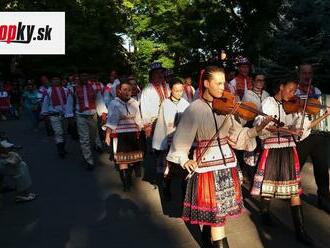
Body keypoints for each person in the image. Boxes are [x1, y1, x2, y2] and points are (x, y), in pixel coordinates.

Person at [167, 66, 271, 247]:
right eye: (219, 83)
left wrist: (256, 130)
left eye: (224, 82)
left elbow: (236, 136)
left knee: (218, 217)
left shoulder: (227, 108)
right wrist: (184, 159)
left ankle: (207, 240)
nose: (223, 87)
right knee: (217, 221)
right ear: (206, 84)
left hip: (228, 166)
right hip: (207, 169)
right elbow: (181, 140)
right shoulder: (194, 109)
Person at [251, 79, 322, 246]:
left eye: (295, 91)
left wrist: (302, 119)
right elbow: (265, 126)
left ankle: (301, 230)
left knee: (294, 191)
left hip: (289, 148)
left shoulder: (294, 106)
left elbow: (301, 130)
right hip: (272, 148)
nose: (293, 94)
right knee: (268, 185)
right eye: (290, 90)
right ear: (281, 87)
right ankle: (265, 214)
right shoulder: (268, 102)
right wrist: (287, 129)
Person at [295, 63, 330, 214]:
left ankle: (324, 198)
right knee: (297, 167)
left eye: (309, 73)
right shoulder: (294, 91)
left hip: (319, 135)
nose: (307, 76)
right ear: (300, 74)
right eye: (304, 73)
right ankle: (291, 196)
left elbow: (322, 108)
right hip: (302, 135)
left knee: (322, 169)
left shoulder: (317, 91)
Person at [152, 77, 190, 200]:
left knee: (184, 168)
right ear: (171, 90)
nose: (179, 93)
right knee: (169, 168)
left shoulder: (186, 103)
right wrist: (159, 144)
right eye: (176, 90)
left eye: (181, 90)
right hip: (169, 141)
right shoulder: (165, 104)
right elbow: (161, 124)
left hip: (183, 142)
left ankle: (185, 193)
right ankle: (166, 189)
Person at [104, 82, 143, 191]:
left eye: (129, 90)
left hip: (133, 133)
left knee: (132, 158)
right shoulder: (114, 103)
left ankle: (129, 178)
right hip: (120, 134)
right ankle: (126, 183)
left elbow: (138, 118)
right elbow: (110, 120)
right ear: (119, 91)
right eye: (124, 90)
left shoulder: (134, 102)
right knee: (122, 160)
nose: (127, 92)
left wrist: (141, 129)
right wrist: (107, 135)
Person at [74, 73, 107, 170]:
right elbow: (70, 102)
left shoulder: (94, 87)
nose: (84, 77)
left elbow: (99, 100)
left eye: (85, 76)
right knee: (84, 139)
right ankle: (89, 160)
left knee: (94, 136)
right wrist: (69, 116)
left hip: (92, 115)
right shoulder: (73, 89)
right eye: (82, 76)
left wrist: (103, 113)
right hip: (80, 116)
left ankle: (96, 146)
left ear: (88, 77)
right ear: (79, 77)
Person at [40, 76, 74, 158]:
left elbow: (70, 103)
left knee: (65, 133)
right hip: (54, 115)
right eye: (54, 79)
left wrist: (70, 115)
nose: (56, 81)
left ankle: (63, 147)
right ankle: (60, 150)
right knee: (58, 132)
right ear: (51, 81)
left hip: (64, 115)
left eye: (57, 79)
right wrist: (45, 114)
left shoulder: (67, 91)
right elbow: (45, 104)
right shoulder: (48, 92)